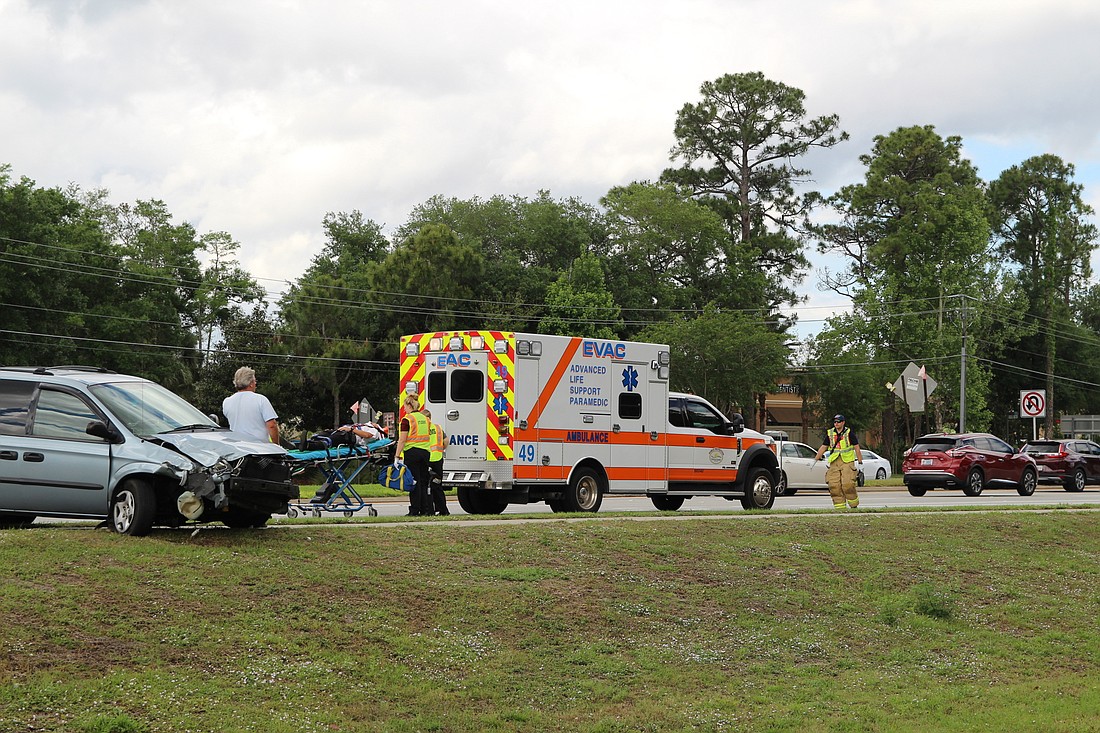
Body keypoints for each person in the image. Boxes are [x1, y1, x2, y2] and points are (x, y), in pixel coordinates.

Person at [392, 394, 433, 516]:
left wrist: (397, 456)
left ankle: (414, 510)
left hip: (412, 453)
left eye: (404, 406)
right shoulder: (426, 419)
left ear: (409, 405)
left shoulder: (407, 420)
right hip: (425, 453)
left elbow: (402, 440)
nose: (404, 409)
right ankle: (425, 509)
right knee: (423, 482)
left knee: (414, 482)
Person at [813, 413, 864, 509]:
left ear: (843, 422)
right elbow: (823, 447)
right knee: (834, 485)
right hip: (834, 462)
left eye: (838, 421)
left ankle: (854, 505)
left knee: (847, 484)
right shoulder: (830, 434)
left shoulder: (849, 434)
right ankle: (840, 508)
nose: (836, 423)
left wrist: (860, 462)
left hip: (847, 461)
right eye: (835, 421)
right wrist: (815, 459)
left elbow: (857, 448)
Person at [222, 366, 279, 443]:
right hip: (259, 448)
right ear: (251, 384)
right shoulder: (261, 400)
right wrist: (276, 446)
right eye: (255, 381)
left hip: (238, 448)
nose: (255, 383)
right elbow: (272, 425)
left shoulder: (227, 402)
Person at [423, 409, 449, 516]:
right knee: (437, 486)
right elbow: (446, 440)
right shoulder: (438, 428)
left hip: (427, 460)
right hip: (438, 460)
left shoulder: (423, 429)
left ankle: (430, 511)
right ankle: (443, 510)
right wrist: (442, 449)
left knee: (426, 486)